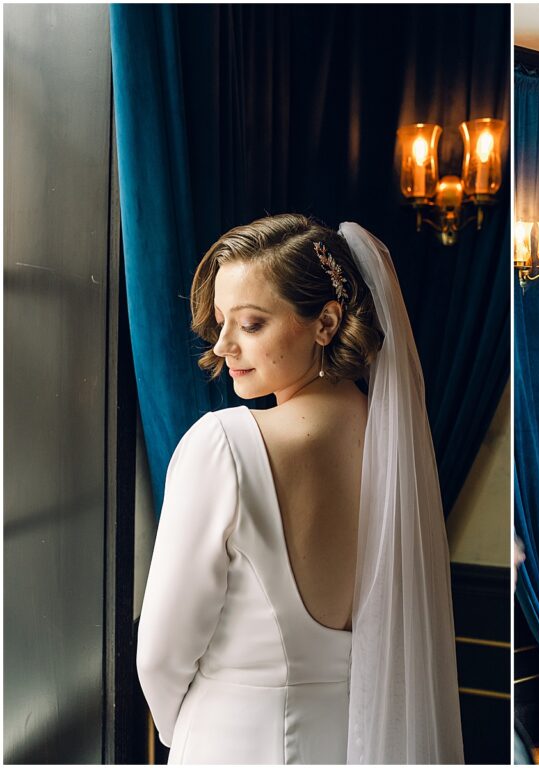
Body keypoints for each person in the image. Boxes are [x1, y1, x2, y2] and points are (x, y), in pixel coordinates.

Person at [136, 214, 464, 764]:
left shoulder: (224, 447)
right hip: (354, 739)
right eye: (220, 322)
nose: (222, 346)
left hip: (233, 740)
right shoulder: (395, 443)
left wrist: (192, 730)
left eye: (252, 324)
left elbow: (159, 658)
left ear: (326, 322)